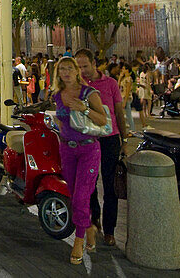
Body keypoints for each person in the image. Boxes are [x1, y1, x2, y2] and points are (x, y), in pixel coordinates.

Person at [53, 56, 108, 263]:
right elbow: (60, 120)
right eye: (62, 69)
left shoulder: (89, 93)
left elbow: (102, 119)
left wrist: (83, 108)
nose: (66, 72)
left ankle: (78, 239)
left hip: (88, 150)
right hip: (67, 150)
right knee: (74, 193)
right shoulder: (58, 95)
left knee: (81, 197)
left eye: (69, 68)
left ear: (77, 71)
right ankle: (89, 228)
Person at [74, 49, 127, 249]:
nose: (82, 71)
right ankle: (94, 219)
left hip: (110, 139)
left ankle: (110, 230)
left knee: (111, 184)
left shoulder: (110, 84)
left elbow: (119, 113)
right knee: (89, 184)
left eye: (85, 66)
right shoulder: (77, 87)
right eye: (78, 67)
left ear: (95, 64)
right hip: (87, 141)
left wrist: (125, 139)